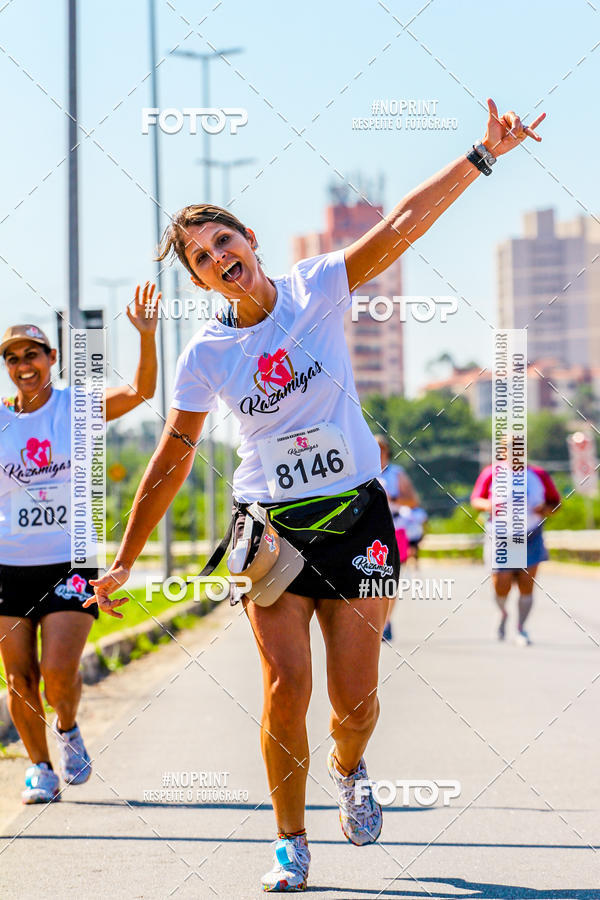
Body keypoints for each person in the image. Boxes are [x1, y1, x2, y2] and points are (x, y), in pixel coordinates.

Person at [88, 98, 545, 892]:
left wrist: (481, 156)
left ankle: (351, 766)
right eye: (201, 258)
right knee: (284, 684)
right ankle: (291, 840)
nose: (218, 258)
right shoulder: (207, 355)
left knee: (354, 700)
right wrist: (124, 558)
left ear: (249, 240)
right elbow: (169, 457)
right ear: (199, 278)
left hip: (359, 519)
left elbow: (403, 224)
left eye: (223, 240)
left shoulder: (318, 288)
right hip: (273, 531)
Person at [0, 283, 158, 804]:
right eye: (12, 358)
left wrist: (146, 337)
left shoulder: (78, 406)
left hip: (69, 563)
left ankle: (67, 729)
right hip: (8, 565)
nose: (23, 365)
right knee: (19, 678)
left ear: (51, 358)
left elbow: (139, 392)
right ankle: (40, 768)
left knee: (56, 671)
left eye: (32, 355)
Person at [471, 461, 560, 645]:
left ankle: (521, 627)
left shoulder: (538, 474)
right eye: (510, 449)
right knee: (501, 582)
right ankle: (503, 613)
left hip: (530, 534)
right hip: (501, 535)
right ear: (503, 452)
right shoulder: (491, 473)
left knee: (526, 583)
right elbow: (476, 500)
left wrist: (544, 509)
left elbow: (556, 505)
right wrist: (490, 505)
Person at [375, 434, 419, 641]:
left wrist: (392, 498)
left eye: (380, 450)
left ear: (386, 452)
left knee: (390, 580)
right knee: (370, 579)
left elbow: (413, 501)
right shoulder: (362, 472)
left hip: (394, 528)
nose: (377, 454)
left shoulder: (396, 473)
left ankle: (386, 622)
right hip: (370, 531)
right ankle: (374, 620)